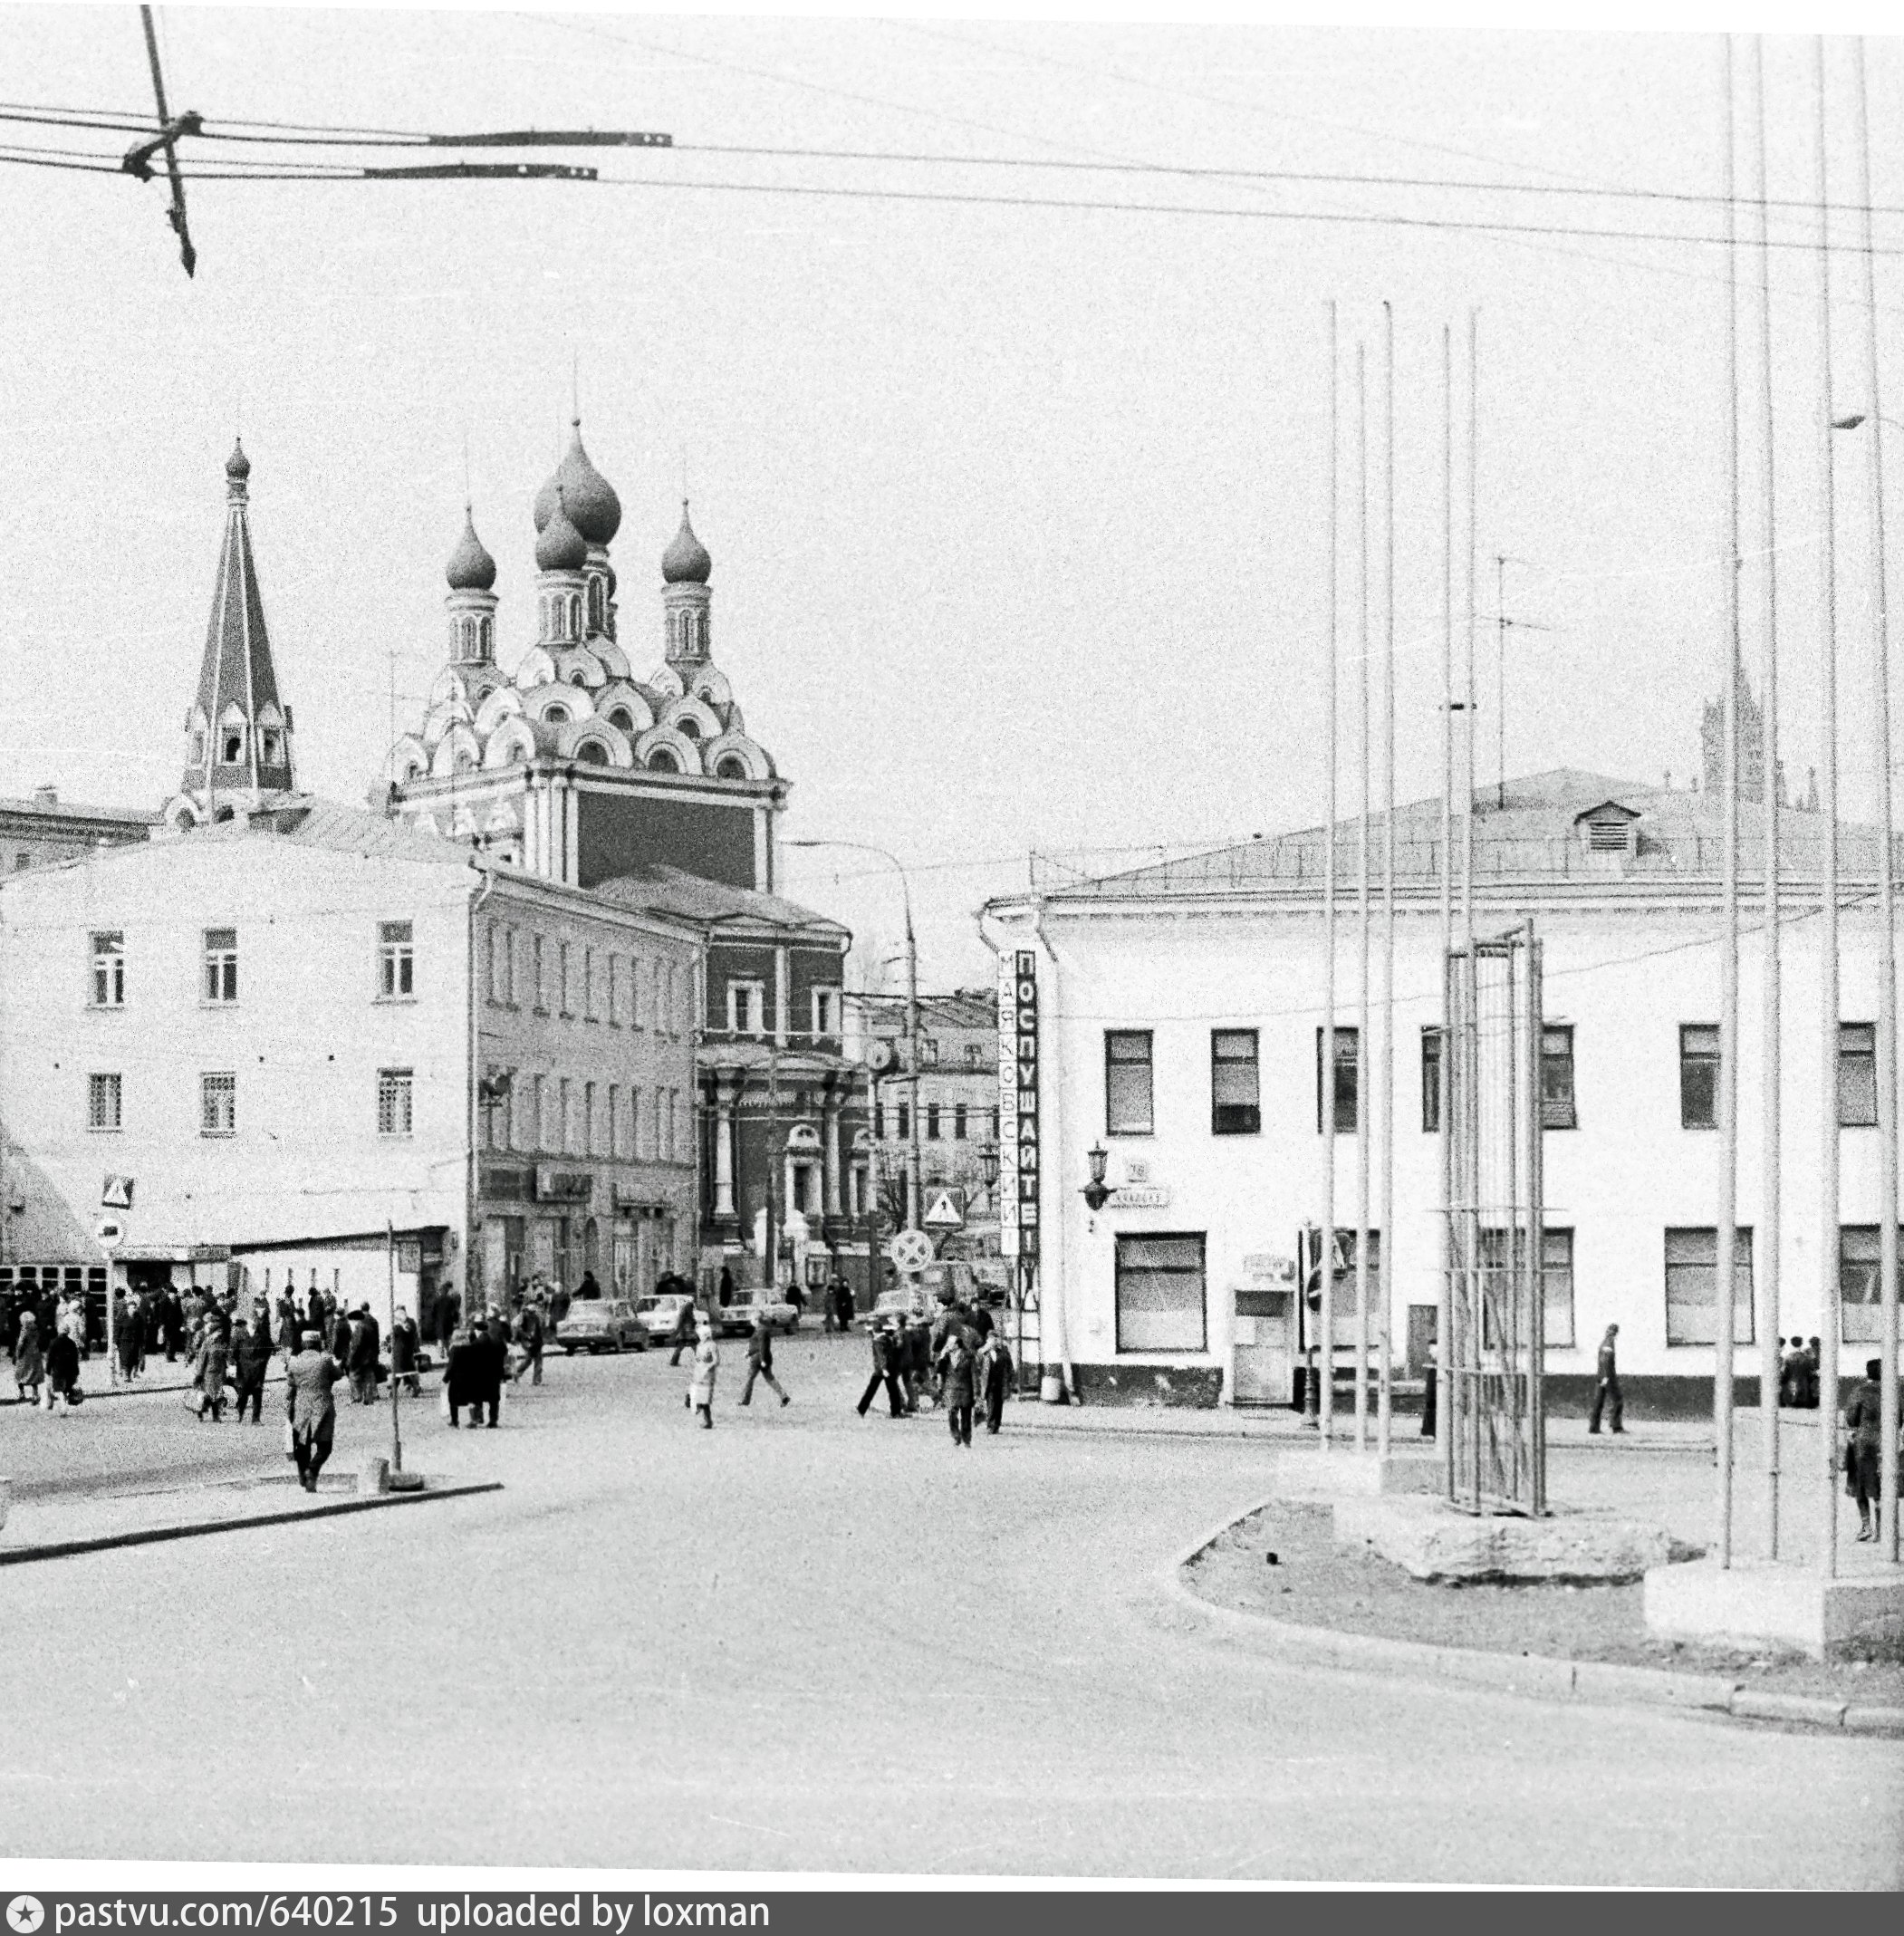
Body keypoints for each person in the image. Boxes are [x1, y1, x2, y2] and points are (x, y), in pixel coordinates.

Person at [284, 1329, 341, 1492]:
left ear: (303, 1344)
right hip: (322, 1404)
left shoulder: (294, 1361)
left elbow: (290, 1381)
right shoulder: (325, 1359)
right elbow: (336, 1375)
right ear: (318, 1344)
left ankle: (303, 1475)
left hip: (301, 1404)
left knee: (303, 1444)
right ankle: (313, 1470)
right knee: (325, 1445)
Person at [1844, 1359, 1887, 1542]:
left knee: (1860, 1482)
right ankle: (1883, 1527)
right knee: (1883, 1484)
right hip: (1886, 1440)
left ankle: (1866, 1526)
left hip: (1865, 1441)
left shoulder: (1860, 1391)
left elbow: (1851, 1418)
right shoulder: (1893, 1390)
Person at [856, 1319, 907, 1420]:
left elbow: (881, 1356)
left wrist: (883, 1368)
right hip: (888, 1369)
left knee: (872, 1390)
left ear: (874, 1331)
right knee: (893, 1391)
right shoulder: (886, 1339)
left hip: (882, 1370)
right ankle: (896, 1412)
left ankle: (862, 1408)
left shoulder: (878, 1341)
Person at [739, 1312, 791, 1408]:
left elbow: (762, 1346)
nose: (750, 1322)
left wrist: (761, 1359)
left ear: (756, 1320)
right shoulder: (762, 1329)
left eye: (751, 1320)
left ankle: (745, 1400)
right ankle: (784, 1396)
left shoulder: (760, 1330)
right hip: (765, 1357)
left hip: (758, 1359)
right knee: (770, 1378)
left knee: (749, 1379)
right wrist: (750, 1353)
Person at [232, 1308, 274, 1423]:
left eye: (255, 1321)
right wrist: (237, 1361)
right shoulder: (240, 1333)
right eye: (252, 1321)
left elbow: (270, 1348)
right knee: (243, 1393)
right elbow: (234, 1349)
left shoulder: (263, 1334)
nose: (254, 1323)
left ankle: (255, 1418)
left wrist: (263, 1361)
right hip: (243, 1368)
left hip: (258, 1368)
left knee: (257, 1392)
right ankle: (240, 1415)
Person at [938, 1326, 976, 1448]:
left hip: (965, 1389)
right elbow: (939, 1370)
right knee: (952, 1415)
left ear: (957, 1345)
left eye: (951, 1343)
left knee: (966, 1416)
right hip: (951, 1389)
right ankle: (956, 1436)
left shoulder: (968, 1356)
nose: (949, 1345)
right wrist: (942, 1356)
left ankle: (966, 1439)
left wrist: (976, 1392)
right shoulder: (946, 1357)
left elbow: (974, 1375)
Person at [195, 1299, 232, 1421]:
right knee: (212, 1395)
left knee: (215, 1395)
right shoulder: (207, 1342)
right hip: (209, 1372)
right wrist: (199, 1374)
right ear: (214, 1331)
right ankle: (209, 1414)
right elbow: (201, 1358)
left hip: (219, 1372)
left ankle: (210, 1413)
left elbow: (225, 1356)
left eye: (221, 1331)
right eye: (218, 1331)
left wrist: (228, 1357)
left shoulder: (221, 1343)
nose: (220, 1333)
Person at [1588, 1323, 1623, 1435]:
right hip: (1607, 1377)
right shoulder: (1609, 1342)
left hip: (1601, 1376)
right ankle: (1616, 1426)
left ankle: (1594, 1428)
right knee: (1618, 1400)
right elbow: (1605, 1361)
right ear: (1615, 1333)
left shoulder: (1604, 1342)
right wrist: (1606, 1377)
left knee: (1598, 1402)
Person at [977, 1329, 1015, 1434]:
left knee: (999, 1403)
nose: (993, 1342)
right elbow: (976, 1363)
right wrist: (984, 1350)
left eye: (995, 1339)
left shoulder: (1003, 1351)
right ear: (988, 1340)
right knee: (991, 1403)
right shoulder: (984, 1352)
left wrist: (1010, 1379)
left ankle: (996, 1424)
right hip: (988, 1381)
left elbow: (1009, 1365)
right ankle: (990, 1425)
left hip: (1000, 1381)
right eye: (991, 1339)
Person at [688, 1315, 719, 1429]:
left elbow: (716, 1360)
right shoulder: (699, 1345)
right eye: (700, 1335)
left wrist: (708, 1367)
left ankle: (708, 1421)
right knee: (695, 1394)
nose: (701, 1337)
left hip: (707, 1375)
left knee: (705, 1399)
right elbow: (697, 1359)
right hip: (698, 1373)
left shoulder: (712, 1345)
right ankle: (697, 1407)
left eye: (702, 1335)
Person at [348, 1304, 380, 1405]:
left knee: (354, 1374)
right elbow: (377, 1338)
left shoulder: (360, 1323)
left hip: (362, 1353)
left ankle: (357, 1396)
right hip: (372, 1352)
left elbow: (358, 1341)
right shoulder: (374, 1321)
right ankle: (373, 1394)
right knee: (370, 1374)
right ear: (368, 1308)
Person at [12, 1308, 44, 1406]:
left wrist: (16, 1355)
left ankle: (22, 1394)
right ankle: (35, 1395)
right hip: (35, 1353)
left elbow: (20, 1344)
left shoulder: (24, 1330)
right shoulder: (36, 1328)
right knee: (33, 1376)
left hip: (25, 1355)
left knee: (20, 1375)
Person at [513, 1298, 545, 1385]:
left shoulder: (536, 1317)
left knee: (538, 1361)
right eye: (531, 1311)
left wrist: (541, 1341)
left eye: (533, 1311)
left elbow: (539, 1330)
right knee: (528, 1361)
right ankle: (517, 1373)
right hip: (528, 1342)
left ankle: (536, 1381)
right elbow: (519, 1329)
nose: (532, 1312)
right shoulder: (523, 1316)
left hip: (537, 1342)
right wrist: (527, 1335)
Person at [390, 1306, 421, 1396]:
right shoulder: (410, 1323)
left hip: (399, 1351)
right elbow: (414, 1334)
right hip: (409, 1350)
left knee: (397, 1372)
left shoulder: (397, 1328)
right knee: (409, 1370)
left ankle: (394, 1391)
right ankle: (415, 1386)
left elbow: (391, 1338)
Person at [435, 1286, 462, 1355]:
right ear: (447, 1292)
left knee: (440, 1338)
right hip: (448, 1322)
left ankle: (441, 1352)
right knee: (447, 1337)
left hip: (440, 1322)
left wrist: (434, 1320)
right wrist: (455, 1320)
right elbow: (454, 1311)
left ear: (441, 1292)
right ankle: (447, 1351)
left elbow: (433, 1311)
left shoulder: (437, 1300)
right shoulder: (451, 1300)